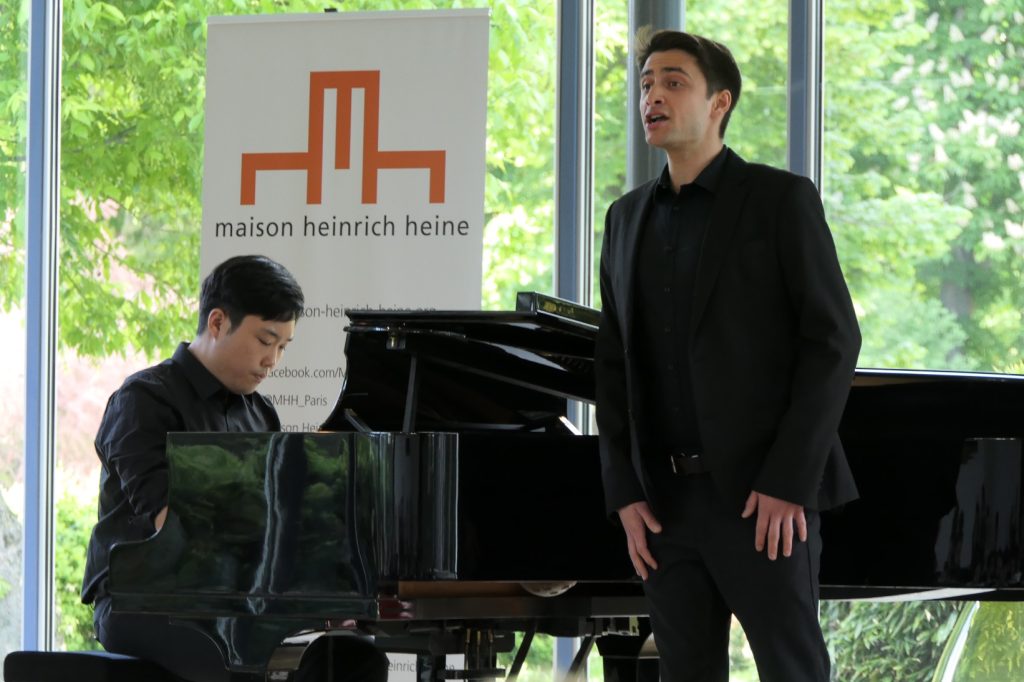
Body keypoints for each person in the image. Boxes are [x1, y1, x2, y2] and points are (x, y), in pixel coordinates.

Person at [594, 29, 862, 682]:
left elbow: (833, 341)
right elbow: (613, 365)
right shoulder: (624, 218)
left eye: (673, 82)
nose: (653, 96)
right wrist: (625, 493)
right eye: (646, 84)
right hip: (663, 507)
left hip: (762, 500)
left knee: (792, 671)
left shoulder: (779, 200)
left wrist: (787, 483)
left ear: (720, 102)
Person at [81, 254, 389, 682]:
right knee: (238, 660)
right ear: (218, 322)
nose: (273, 360)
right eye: (265, 341)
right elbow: (171, 523)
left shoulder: (261, 413)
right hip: (144, 600)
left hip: (239, 600)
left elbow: (277, 527)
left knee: (356, 659)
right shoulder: (144, 400)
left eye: (283, 347)